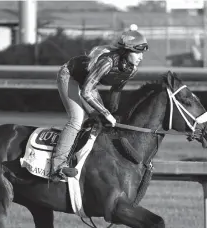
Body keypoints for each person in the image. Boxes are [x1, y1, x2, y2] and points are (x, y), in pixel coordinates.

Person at [50, 24, 149, 182]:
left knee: (101, 123)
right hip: (69, 76)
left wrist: (113, 113)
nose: (141, 57)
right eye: (137, 52)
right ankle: (57, 166)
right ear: (125, 51)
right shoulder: (108, 62)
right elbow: (86, 92)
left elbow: (116, 91)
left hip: (87, 84)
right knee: (77, 119)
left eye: (142, 53)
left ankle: (86, 160)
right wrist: (106, 113)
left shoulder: (131, 69)